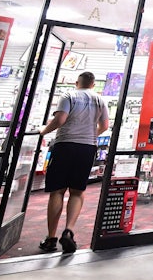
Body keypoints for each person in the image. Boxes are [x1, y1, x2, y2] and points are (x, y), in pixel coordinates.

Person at [38, 71, 109, 254]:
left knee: (57, 191)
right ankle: (69, 231)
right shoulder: (100, 99)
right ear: (93, 84)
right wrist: (91, 136)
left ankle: (51, 238)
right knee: (77, 192)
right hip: (87, 148)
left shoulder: (68, 95)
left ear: (77, 82)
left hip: (65, 144)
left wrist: (44, 131)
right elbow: (105, 126)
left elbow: (60, 119)